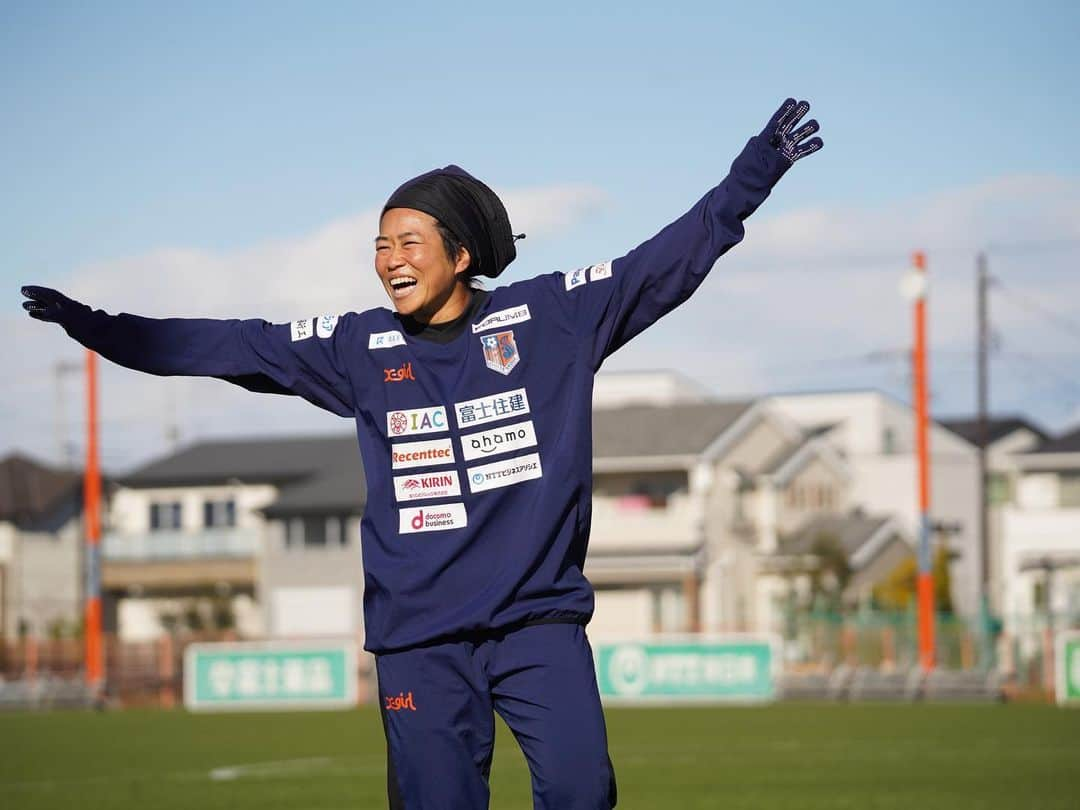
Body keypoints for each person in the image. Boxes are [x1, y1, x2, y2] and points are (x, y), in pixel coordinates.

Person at [22, 98, 822, 809]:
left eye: (408, 241)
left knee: (584, 790)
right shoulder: (358, 347)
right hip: (417, 641)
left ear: (460, 254)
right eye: (379, 244)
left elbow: (668, 261)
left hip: (535, 625)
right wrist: (102, 326)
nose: (389, 259)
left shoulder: (552, 319)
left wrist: (756, 170)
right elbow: (232, 345)